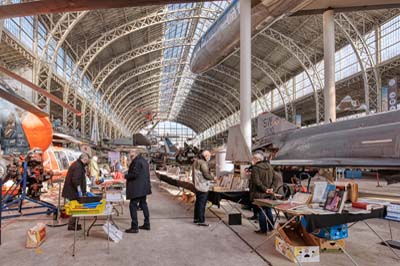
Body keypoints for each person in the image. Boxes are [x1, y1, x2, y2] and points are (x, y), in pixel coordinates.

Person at [250, 152, 279, 234]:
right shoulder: (270, 166)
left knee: (261, 211)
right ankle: (271, 228)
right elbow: (276, 179)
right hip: (268, 193)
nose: (252, 160)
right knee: (268, 209)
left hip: (259, 193)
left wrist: (265, 189)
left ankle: (263, 230)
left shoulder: (255, 168)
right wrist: (271, 189)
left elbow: (257, 182)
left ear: (257, 159)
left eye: (253, 158)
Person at [125, 149, 151, 233]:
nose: (130, 153)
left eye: (131, 152)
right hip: (143, 187)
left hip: (137, 188)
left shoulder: (136, 161)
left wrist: (126, 175)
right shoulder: (143, 160)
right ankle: (147, 224)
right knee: (143, 204)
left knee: (132, 205)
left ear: (136, 153)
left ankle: (134, 226)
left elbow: (135, 174)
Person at [62, 153, 90, 231]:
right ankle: (71, 225)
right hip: (73, 191)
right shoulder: (78, 166)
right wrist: (80, 191)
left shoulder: (78, 165)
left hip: (73, 191)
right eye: (87, 161)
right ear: (84, 160)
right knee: (76, 208)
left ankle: (74, 224)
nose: (87, 163)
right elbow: (75, 180)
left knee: (76, 208)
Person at [192, 150, 214, 226]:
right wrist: (213, 178)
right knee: (202, 203)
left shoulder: (195, 162)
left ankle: (196, 219)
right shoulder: (203, 163)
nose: (210, 158)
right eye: (209, 156)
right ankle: (201, 221)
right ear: (206, 156)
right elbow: (206, 175)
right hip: (203, 186)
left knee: (198, 202)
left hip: (197, 185)